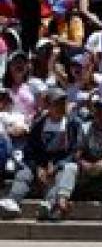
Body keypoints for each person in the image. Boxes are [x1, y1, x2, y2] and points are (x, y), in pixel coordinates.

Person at [0, 88, 81, 221]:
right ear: (48, 106)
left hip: (61, 163)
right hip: (41, 163)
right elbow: (30, 151)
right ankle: (13, 200)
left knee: (64, 172)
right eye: (57, 103)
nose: (61, 106)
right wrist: (38, 167)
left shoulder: (73, 124)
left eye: (63, 102)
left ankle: (49, 203)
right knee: (24, 172)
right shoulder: (39, 124)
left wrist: (56, 166)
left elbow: (75, 150)